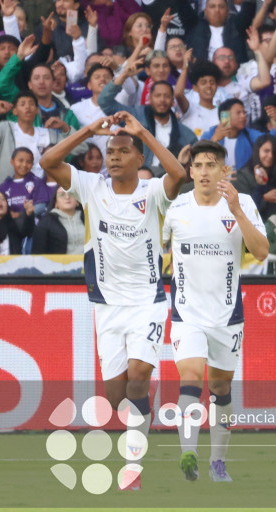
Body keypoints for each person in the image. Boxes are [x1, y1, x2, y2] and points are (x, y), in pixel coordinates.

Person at [40, 111, 187, 490]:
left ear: (139, 158)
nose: (114, 157)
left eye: (123, 151)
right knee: (117, 396)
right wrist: (88, 130)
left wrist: (144, 132)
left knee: (138, 378)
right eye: (110, 151)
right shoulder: (92, 187)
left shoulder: (152, 192)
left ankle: (132, 467)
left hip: (147, 302)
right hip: (106, 305)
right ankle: (140, 417)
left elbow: (179, 174)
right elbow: (48, 162)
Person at [162, 139, 268, 483]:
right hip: (187, 313)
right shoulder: (176, 208)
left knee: (220, 389)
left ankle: (218, 462)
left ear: (225, 171)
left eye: (211, 165)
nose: (204, 172)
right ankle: (188, 454)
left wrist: (237, 211)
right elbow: (153, 247)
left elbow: (261, 251)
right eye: (198, 166)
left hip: (227, 316)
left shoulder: (243, 203)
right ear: (190, 171)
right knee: (190, 378)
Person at [234, 133, 276, 219]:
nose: (271, 156)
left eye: (274, 152)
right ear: (257, 151)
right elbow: (243, 209)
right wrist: (263, 197)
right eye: (266, 151)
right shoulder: (241, 176)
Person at [30, 186, 85, 254]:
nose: (67, 197)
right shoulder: (46, 223)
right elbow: (38, 252)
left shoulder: (88, 220)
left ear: (77, 201)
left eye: (71, 193)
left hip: (87, 260)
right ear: (56, 203)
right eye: (62, 194)